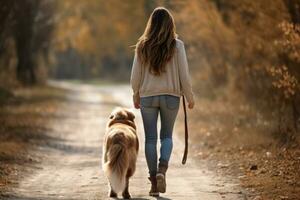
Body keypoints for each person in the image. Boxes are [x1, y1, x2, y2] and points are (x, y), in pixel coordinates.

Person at [130, 7, 194, 197]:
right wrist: (190, 97)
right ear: (170, 24)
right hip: (171, 97)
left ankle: (153, 184)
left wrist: (135, 93)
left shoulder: (142, 45)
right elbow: (184, 75)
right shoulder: (178, 45)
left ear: (151, 24)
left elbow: (135, 76)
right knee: (166, 136)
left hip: (148, 96)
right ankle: (161, 171)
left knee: (150, 139)